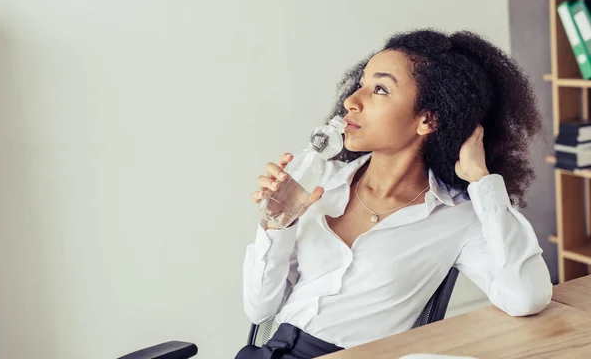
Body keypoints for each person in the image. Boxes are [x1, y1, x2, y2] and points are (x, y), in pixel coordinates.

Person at [236, 29, 553, 359]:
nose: (351, 102)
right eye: (361, 84)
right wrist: (278, 224)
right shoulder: (319, 184)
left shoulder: (458, 217)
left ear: (427, 119)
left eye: (380, 89)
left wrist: (482, 180)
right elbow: (260, 310)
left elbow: (526, 296)